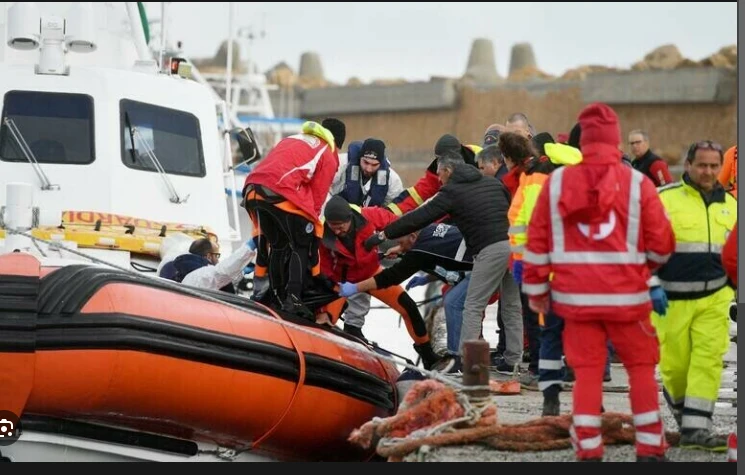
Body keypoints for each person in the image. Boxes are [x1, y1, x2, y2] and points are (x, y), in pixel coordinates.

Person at [523, 102, 675, 462]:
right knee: (640, 370)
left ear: (583, 140)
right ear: (616, 139)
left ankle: (589, 451)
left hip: (576, 301)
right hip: (629, 299)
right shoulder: (637, 182)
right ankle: (651, 449)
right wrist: (644, 270)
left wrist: (538, 292)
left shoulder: (557, 183)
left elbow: (537, 243)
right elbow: (663, 244)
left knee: (587, 374)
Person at [365, 150, 522, 374]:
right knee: (511, 306)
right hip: (514, 246)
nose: (439, 179)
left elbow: (419, 217)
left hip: (490, 249)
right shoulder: (492, 183)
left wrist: (383, 235)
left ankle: (473, 369)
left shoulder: (452, 191)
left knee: (471, 307)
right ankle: (512, 362)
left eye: (440, 174)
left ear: (448, 171)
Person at [653, 139, 737, 452]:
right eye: (702, 165)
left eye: (714, 166)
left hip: (715, 298)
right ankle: (687, 418)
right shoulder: (663, 199)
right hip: (670, 300)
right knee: (675, 369)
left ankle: (697, 429)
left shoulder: (731, 206)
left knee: (709, 360)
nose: (708, 171)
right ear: (688, 165)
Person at [318, 196, 444, 370]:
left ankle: (428, 356)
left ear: (350, 219)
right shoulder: (324, 235)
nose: (337, 231)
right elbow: (324, 266)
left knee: (408, 307)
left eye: (341, 227)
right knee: (324, 319)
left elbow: (401, 225)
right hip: (342, 283)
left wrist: (402, 246)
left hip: (371, 275)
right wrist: (329, 291)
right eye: (333, 227)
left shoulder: (370, 216)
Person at [242, 119, 345, 317]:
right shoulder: (328, 153)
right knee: (301, 244)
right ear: (338, 141)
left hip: (252, 190)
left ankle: (275, 295)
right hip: (278, 192)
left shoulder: (294, 139)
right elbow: (318, 197)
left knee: (279, 245)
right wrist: (312, 226)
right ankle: (293, 299)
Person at [340, 222, 473, 358]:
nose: (399, 245)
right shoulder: (429, 229)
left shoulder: (421, 250)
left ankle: (452, 356)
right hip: (481, 253)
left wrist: (355, 287)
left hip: (483, 261)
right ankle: (460, 353)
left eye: (401, 242)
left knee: (451, 302)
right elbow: (436, 257)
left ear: (413, 237)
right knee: (456, 300)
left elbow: (392, 276)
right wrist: (423, 274)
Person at [327, 137, 404, 340]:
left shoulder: (392, 180)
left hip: (365, 234)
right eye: (365, 163)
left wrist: (379, 234)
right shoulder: (342, 166)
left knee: (363, 273)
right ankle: (325, 312)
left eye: (374, 165)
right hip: (335, 229)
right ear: (359, 158)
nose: (368, 168)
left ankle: (353, 325)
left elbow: (395, 214)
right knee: (329, 272)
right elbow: (324, 192)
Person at [386, 134, 482, 216]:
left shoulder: (480, 158)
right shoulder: (435, 172)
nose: (439, 165)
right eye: (438, 160)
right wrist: (387, 213)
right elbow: (417, 194)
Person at [171, 237, 256, 292]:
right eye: (217, 255)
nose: (218, 259)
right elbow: (222, 273)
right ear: (209, 256)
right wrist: (248, 248)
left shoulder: (190, 273)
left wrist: (241, 272)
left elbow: (220, 281)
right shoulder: (200, 275)